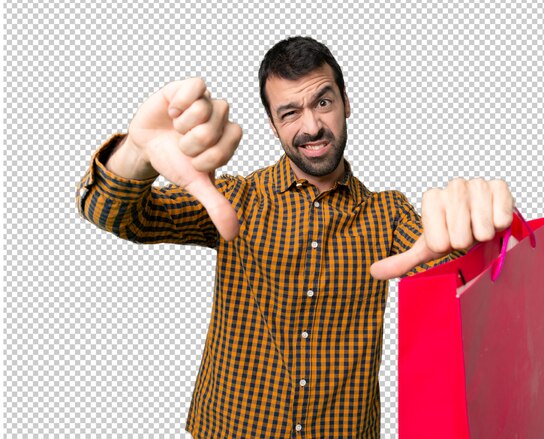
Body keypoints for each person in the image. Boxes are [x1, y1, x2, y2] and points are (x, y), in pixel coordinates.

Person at [75, 36, 514, 439]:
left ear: (346, 103)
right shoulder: (235, 199)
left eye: (323, 102)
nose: (312, 127)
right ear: (272, 124)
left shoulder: (391, 216)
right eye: (290, 112)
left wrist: (480, 235)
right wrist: (136, 150)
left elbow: (457, 278)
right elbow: (120, 216)